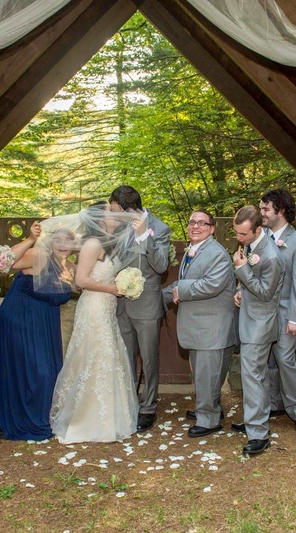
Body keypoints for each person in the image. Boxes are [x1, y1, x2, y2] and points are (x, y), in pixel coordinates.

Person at [50, 203, 139, 443]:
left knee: (107, 356)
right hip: (94, 306)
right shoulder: (92, 244)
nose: (114, 214)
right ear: (100, 219)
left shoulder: (109, 242)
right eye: (109, 212)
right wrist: (113, 288)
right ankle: (86, 419)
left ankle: (110, 417)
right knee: (95, 355)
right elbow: (81, 281)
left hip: (107, 306)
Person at [0, 220, 73, 441]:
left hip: (44, 322)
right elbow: (4, 262)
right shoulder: (38, 255)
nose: (64, 245)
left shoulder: (67, 266)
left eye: (69, 241)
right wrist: (29, 239)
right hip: (21, 318)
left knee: (50, 370)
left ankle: (41, 416)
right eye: (60, 240)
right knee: (38, 371)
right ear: (51, 240)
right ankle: (24, 419)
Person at [163, 209, 236, 438]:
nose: (195, 226)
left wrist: (179, 290)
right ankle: (209, 409)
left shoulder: (216, 253)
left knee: (208, 374)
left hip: (211, 326)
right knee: (205, 374)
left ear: (212, 228)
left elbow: (211, 285)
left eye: (202, 223)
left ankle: (209, 420)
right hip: (200, 325)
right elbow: (186, 280)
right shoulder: (193, 250)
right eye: (192, 222)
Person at [109, 185, 171, 431]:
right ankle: (128, 402)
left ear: (127, 209)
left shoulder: (161, 228)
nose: (114, 216)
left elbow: (161, 265)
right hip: (122, 303)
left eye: (116, 211)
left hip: (146, 306)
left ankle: (148, 406)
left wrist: (146, 236)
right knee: (125, 357)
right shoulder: (119, 228)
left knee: (148, 358)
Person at [229, 205, 284, 456]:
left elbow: (265, 291)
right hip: (250, 320)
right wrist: (241, 291)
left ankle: (259, 434)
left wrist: (241, 270)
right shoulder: (253, 247)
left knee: (253, 377)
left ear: (258, 229)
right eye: (237, 233)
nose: (239, 239)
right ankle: (254, 421)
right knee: (253, 376)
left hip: (259, 326)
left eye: (243, 235)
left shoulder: (271, 255)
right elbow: (254, 287)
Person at [259, 189, 296, 435]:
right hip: (262, 313)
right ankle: (273, 403)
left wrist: (295, 319)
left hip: (285, 312)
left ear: (280, 211)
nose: (261, 213)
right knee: (268, 361)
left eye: (265, 209)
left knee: (285, 360)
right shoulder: (260, 239)